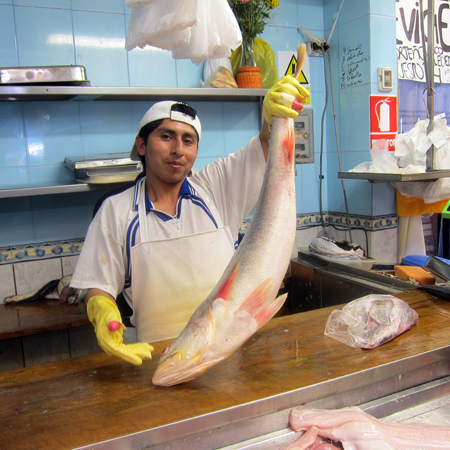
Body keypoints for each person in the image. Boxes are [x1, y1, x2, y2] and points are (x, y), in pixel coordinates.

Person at [70, 76, 309, 365]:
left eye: (188, 140)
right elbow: (99, 284)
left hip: (227, 353)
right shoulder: (115, 211)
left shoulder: (216, 188)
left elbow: (265, 149)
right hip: (160, 358)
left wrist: (272, 121)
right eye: (166, 136)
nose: (178, 150)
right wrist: (103, 312)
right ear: (142, 145)